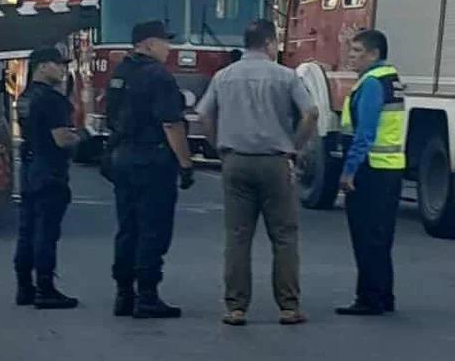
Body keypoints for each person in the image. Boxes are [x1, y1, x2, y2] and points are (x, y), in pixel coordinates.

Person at [199, 19, 319, 327]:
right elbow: (311, 112)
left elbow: (203, 113)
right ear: (270, 43)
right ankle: (288, 307)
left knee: (238, 236)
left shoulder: (224, 76)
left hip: (235, 160)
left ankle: (236, 307)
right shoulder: (285, 76)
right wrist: (294, 146)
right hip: (276, 162)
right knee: (284, 236)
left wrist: (218, 147)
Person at [106, 21, 194, 319]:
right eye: (164, 42)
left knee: (127, 226)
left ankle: (123, 294)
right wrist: (185, 163)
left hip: (123, 157)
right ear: (147, 43)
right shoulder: (159, 76)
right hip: (152, 159)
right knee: (153, 228)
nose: (169, 47)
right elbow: (171, 123)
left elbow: (111, 117)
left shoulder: (121, 72)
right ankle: (147, 295)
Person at [336, 29, 406, 316]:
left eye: (356, 51)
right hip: (390, 169)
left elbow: (365, 133)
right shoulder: (391, 79)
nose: (350, 56)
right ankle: (383, 295)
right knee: (381, 237)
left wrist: (349, 171)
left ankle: (368, 298)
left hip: (370, 170)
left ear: (374, 54)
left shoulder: (373, 84)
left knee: (365, 237)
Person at [13, 46, 79, 310]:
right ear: (42, 66)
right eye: (58, 64)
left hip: (29, 167)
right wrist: (82, 138)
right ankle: (45, 288)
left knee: (27, 230)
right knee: (46, 232)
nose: (63, 69)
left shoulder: (26, 97)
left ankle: (24, 287)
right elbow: (61, 138)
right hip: (50, 168)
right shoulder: (52, 100)